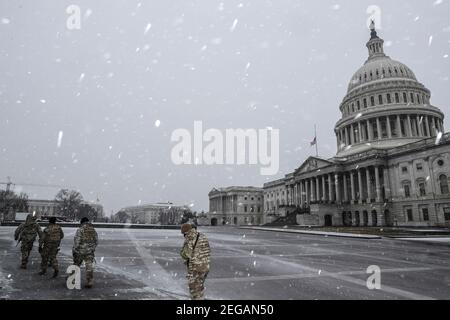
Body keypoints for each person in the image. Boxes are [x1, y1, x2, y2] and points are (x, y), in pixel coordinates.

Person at [180, 223, 211, 300]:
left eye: (184, 234)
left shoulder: (190, 238)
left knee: (194, 290)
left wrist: (182, 252)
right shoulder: (202, 236)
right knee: (199, 287)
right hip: (205, 266)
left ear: (186, 232)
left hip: (195, 268)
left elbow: (186, 254)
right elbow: (208, 250)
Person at [73, 217, 98, 288]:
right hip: (89, 251)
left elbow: (77, 241)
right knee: (89, 266)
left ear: (82, 222)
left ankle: (72, 278)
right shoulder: (93, 230)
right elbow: (96, 241)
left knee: (76, 265)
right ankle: (89, 281)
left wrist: (75, 249)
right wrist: (92, 248)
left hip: (80, 251)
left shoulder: (80, 229)